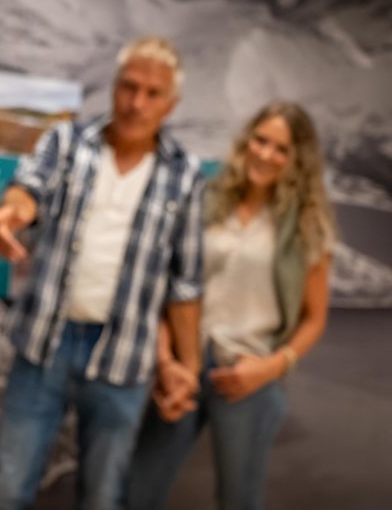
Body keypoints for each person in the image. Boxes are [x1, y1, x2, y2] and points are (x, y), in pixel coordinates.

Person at [0, 36, 204, 510]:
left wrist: (187, 367)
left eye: (152, 93)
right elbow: (28, 189)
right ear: (113, 87)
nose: (137, 102)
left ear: (171, 104)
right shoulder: (67, 143)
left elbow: (185, 283)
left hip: (124, 357)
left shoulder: (184, 176)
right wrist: (12, 215)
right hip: (45, 341)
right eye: (129, 87)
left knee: (103, 497)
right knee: (8, 487)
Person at [128, 101, 336, 510]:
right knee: (138, 492)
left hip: (249, 375)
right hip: (185, 367)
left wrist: (271, 368)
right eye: (261, 140)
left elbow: (315, 318)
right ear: (246, 140)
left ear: (298, 159)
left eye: (282, 149)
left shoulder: (310, 226)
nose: (265, 154)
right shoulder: (206, 201)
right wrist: (166, 360)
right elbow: (173, 287)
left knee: (238, 499)